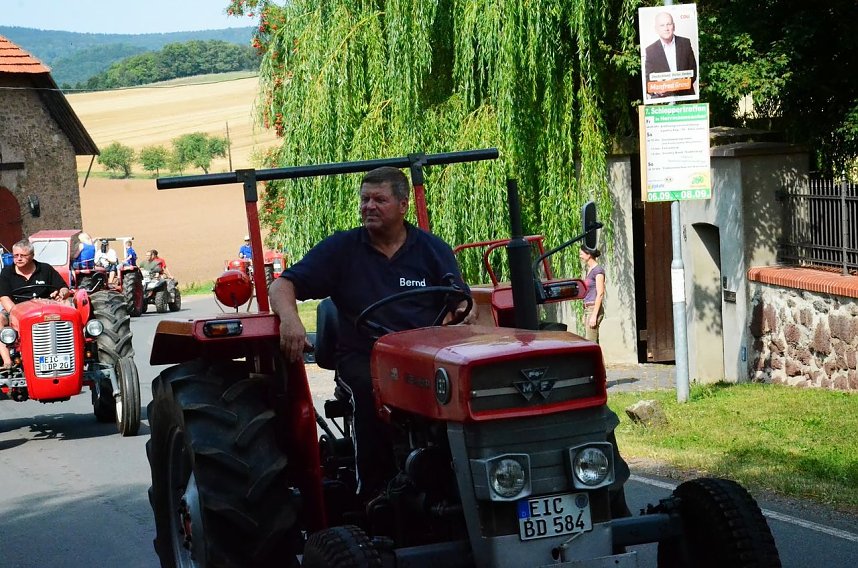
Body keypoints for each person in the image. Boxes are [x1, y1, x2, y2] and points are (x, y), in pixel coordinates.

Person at [270, 166, 476, 499]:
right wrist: (291, 320)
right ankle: (374, 492)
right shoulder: (342, 249)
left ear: (403, 205)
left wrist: (461, 317)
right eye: (365, 199)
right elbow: (282, 285)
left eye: (379, 199)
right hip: (364, 355)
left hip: (424, 356)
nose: (369, 206)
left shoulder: (432, 250)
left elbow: (461, 303)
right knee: (371, 392)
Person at [0, 239, 71, 368]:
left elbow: (64, 288)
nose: (19, 259)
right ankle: (7, 361)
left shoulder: (45, 269)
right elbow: (4, 297)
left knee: (69, 308)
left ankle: (69, 350)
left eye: (23, 255)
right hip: (17, 309)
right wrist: (15, 313)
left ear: (32, 256)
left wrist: (61, 294)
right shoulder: (6, 272)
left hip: (45, 307)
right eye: (16, 255)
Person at [644, 11, 697, 98]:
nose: (666, 28)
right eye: (662, 25)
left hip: (685, 98)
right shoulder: (650, 50)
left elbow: (693, 71)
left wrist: (680, 85)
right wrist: (656, 89)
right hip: (662, 101)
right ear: (656, 29)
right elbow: (647, 80)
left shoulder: (685, 43)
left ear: (674, 26)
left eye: (669, 24)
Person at [580, 245, 605, 343]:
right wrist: (584, 314)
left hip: (593, 308)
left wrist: (594, 315)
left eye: (581, 254)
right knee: (593, 342)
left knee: (591, 342)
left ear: (589, 255)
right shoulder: (589, 270)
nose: (580, 256)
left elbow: (600, 293)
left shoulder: (598, 271)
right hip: (588, 309)